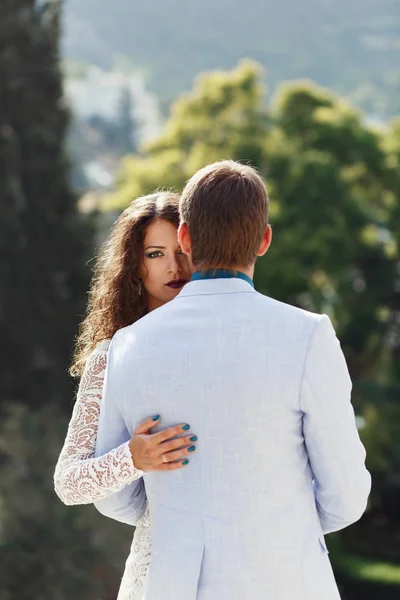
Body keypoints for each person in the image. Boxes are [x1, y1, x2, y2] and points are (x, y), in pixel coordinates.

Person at [94, 160, 371, 600]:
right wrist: (275, 528)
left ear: (184, 237)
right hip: (289, 581)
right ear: (264, 240)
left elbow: (114, 498)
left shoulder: (129, 344)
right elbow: (347, 495)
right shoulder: (308, 334)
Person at [54, 191, 195, 600]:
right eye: (155, 254)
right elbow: (68, 482)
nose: (174, 266)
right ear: (134, 264)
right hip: (159, 569)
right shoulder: (111, 357)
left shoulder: (231, 340)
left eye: (183, 249)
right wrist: (132, 459)